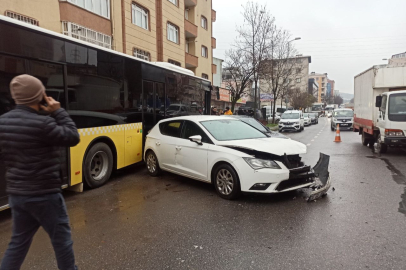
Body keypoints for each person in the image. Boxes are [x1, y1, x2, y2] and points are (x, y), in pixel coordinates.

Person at [0, 75, 80, 270]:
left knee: (18, 243)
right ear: (39, 96)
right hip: (45, 195)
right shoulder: (43, 123)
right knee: (62, 242)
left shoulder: (2, 122)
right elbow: (72, 136)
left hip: (18, 195)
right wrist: (58, 111)